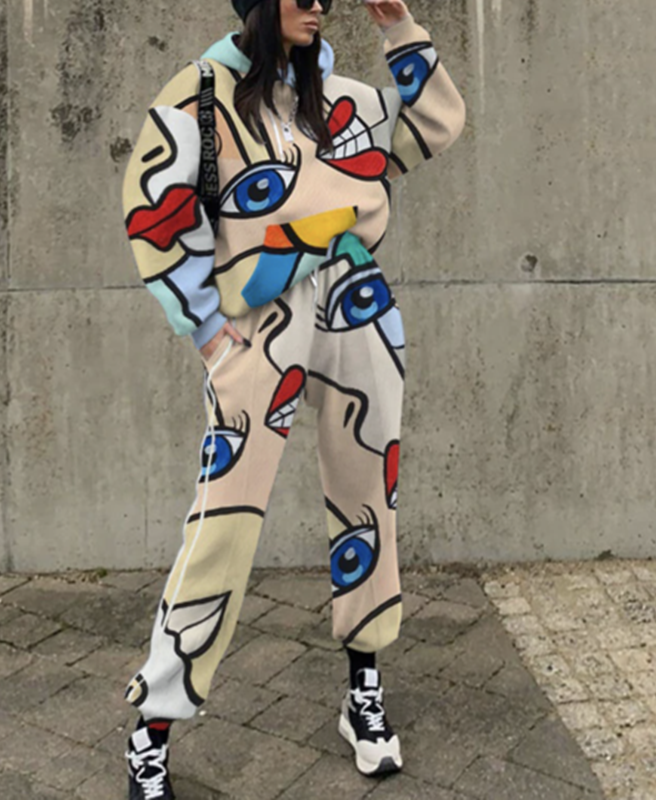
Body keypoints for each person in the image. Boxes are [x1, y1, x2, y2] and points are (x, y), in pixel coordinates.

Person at [121, 0, 465, 796]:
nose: (318, 3)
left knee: (369, 498)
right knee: (224, 514)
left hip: (357, 302)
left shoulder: (343, 100)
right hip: (258, 320)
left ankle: (364, 688)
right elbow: (151, 211)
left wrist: (399, 27)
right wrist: (208, 330)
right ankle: (154, 723)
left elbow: (437, 123)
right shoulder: (200, 95)